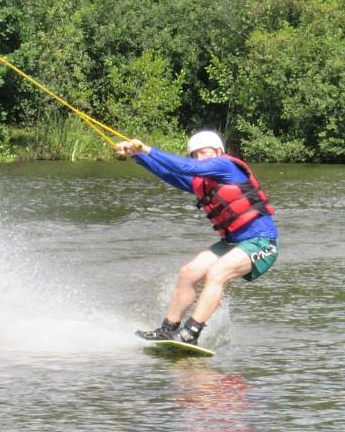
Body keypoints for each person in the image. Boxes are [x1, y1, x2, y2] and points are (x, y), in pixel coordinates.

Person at [114, 130, 279, 346]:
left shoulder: (225, 166)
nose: (200, 158)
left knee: (216, 273)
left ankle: (191, 333)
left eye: (204, 152)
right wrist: (136, 156)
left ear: (218, 151)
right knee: (188, 273)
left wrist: (146, 148)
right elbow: (170, 174)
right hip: (232, 244)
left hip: (262, 242)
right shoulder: (201, 181)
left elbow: (186, 167)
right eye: (196, 155)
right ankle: (168, 329)